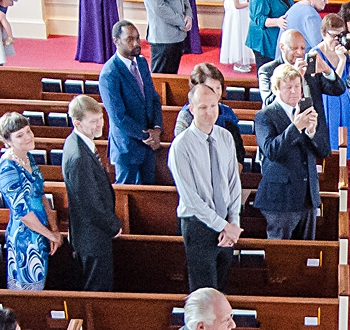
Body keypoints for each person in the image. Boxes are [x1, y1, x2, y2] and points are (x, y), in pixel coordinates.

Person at [169, 73, 244, 292]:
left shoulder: (224, 137)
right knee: (204, 293)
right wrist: (225, 227)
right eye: (203, 107)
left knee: (221, 290)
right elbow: (190, 198)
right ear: (191, 109)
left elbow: (233, 182)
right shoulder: (181, 146)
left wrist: (234, 221)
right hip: (198, 225)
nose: (210, 112)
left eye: (213, 106)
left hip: (226, 223)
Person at [253, 63, 330, 242]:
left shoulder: (307, 111)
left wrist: (311, 132)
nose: (295, 92)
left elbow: (324, 151)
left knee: (305, 254)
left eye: (298, 86)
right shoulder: (265, 116)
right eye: (289, 87)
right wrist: (296, 127)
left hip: (308, 196)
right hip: (281, 199)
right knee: (282, 254)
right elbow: (271, 151)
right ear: (276, 88)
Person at [57, 94, 119, 292]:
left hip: (91, 234)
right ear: (77, 122)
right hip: (92, 237)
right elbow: (90, 202)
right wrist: (112, 226)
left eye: (101, 118)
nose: (100, 124)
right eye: (93, 121)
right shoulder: (79, 157)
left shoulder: (76, 142)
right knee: (97, 288)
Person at [0, 113, 59, 290]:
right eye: (20, 135)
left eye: (28, 131)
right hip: (25, 238)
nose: (28, 137)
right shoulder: (7, 168)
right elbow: (21, 211)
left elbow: (40, 194)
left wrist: (53, 228)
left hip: (41, 232)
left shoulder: (27, 158)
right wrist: (50, 234)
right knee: (30, 289)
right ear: (8, 141)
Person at [100, 18, 164, 186]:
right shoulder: (110, 73)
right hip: (127, 147)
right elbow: (118, 117)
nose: (136, 43)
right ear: (116, 41)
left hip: (148, 146)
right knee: (127, 193)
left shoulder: (142, 62)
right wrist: (146, 135)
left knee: (148, 194)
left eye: (137, 37)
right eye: (130, 39)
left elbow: (153, 98)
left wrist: (157, 129)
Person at [308, 14, 350, 160]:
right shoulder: (314, 55)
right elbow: (332, 85)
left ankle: (342, 167)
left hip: (344, 99)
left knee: (345, 138)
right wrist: (341, 61)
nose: (337, 40)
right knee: (330, 139)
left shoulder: (345, 51)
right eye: (333, 36)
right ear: (323, 33)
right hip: (326, 101)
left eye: (341, 35)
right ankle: (330, 168)